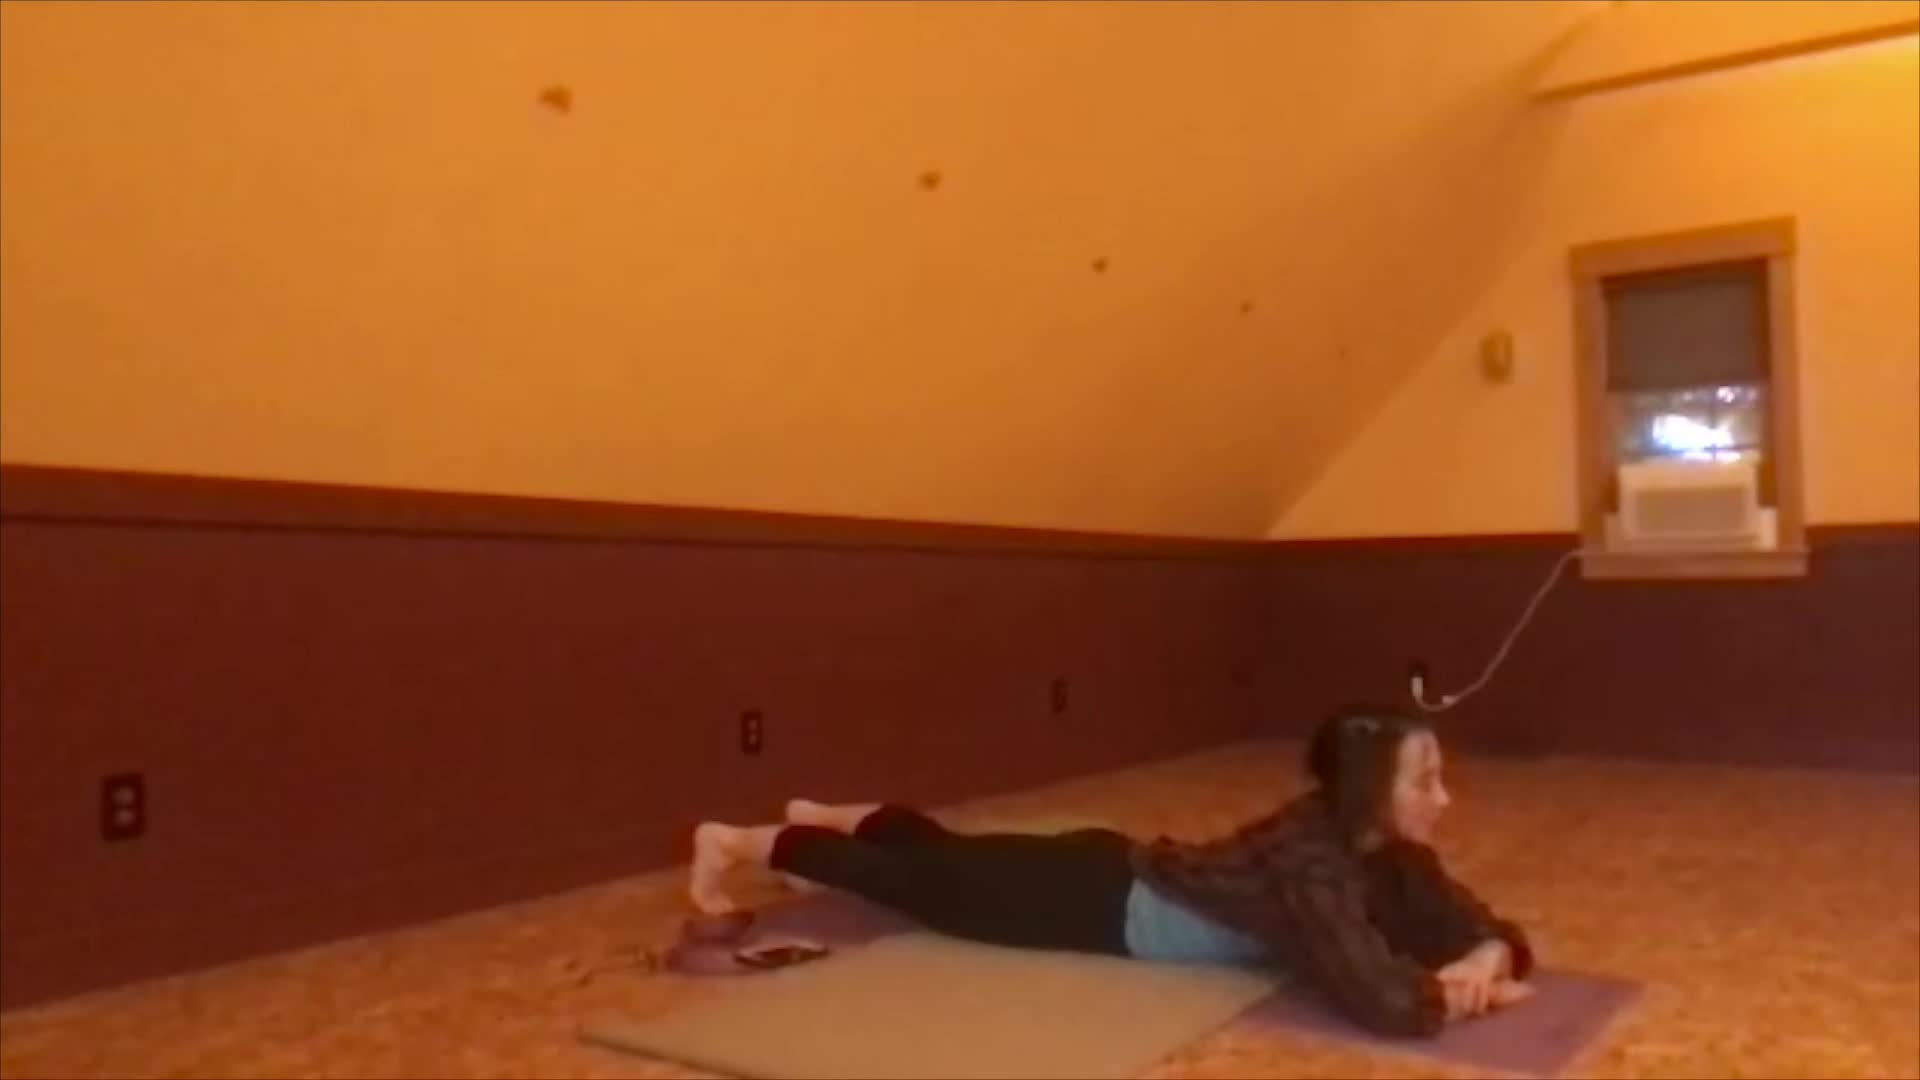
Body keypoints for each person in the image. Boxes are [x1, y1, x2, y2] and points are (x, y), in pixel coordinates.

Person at [686, 704, 1535, 1037]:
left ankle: (821, 815)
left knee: (942, 855)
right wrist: (1463, 990)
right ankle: (734, 842)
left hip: (1109, 872)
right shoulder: (1312, 860)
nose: (1443, 798)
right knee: (915, 881)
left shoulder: (1381, 847)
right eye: (1425, 781)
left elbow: (1473, 922)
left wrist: (1485, 955)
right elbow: (1381, 996)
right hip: (1091, 901)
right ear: (1369, 791)